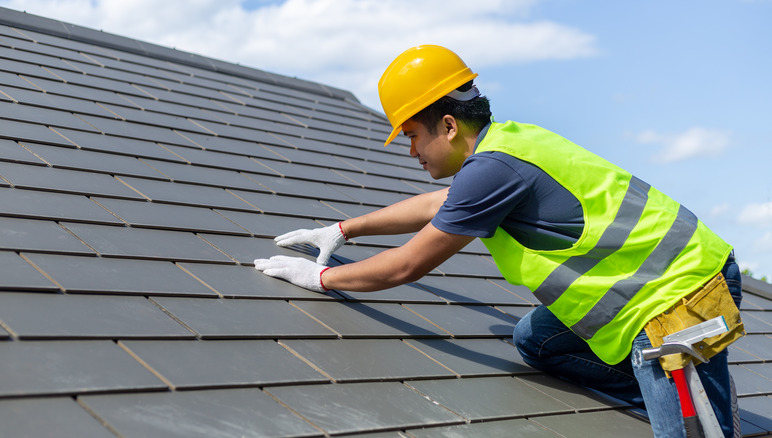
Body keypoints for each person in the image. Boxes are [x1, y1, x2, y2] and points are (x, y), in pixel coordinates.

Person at [254, 45, 744, 437]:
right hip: (651, 291)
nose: (410, 151)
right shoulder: (503, 146)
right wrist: (344, 230)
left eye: (411, 135)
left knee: (693, 433)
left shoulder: (494, 168)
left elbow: (407, 266)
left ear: (447, 126)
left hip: (682, 299)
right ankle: (663, 385)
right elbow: (435, 206)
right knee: (537, 340)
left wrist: (321, 278)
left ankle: (687, 398)